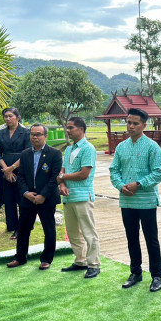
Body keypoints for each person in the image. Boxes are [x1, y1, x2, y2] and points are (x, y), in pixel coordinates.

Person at [109, 108, 161, 292]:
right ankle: (135, 272)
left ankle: (156, 276)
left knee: (151, 239)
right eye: (129, 122)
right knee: (131, 238)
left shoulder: (152, 147)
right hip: (127, 201)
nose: (131, 126)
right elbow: (114, 170)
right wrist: (121, 186)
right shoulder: (121, 147)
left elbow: (158, 172)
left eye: (135, 123)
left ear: (144, 125)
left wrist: (139, 184)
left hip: (147, 201)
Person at [6, 123, 62, 270]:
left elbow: (55, 178)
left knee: (49, 229)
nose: (34, 137)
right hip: (28, 198)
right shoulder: (25, 154)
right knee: (23, 229)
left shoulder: (55, 153)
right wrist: (26, 193)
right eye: (32, 134)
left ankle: (46, 259)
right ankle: (20, 257)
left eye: (38, 134)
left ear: (45, 136)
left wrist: (43, 195)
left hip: (46, 199)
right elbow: (21, 176)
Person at [59, 117, 101, 279]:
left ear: (81, 129)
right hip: (68, 196)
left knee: (88, 232)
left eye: (71, 128)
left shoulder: (88, 148)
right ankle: (80, 261)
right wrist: (62, 185)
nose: (68, 130)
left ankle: (94, 264)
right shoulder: (69, 149)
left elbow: (84, 174)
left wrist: (62, 177)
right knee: (73, 232)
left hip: (83, 196)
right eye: (67, 127)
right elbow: (62, 171)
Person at [0, 107, 31, 239]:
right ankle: (12, 226)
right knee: (8, 199)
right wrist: (6, 169)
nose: (8, 118)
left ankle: (22, 227)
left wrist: (12, 168)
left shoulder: (26, 132)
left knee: (22, 198)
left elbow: (28, 152)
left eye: (10, 116)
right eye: (6, 116)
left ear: (18, 117)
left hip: (21, 167)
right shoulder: (0, 132)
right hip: (4, 168)